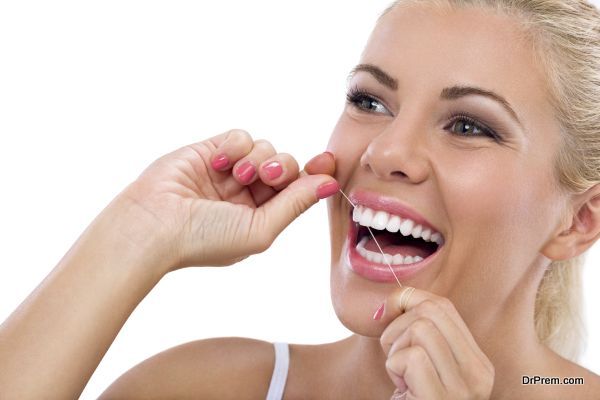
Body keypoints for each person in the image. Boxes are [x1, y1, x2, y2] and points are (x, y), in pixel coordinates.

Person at [2, 0, 600, 398]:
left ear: (579, 218)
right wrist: (134, 233)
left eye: (469, 126)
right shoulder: (202, 387)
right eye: (370, 102)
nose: (386, 150)